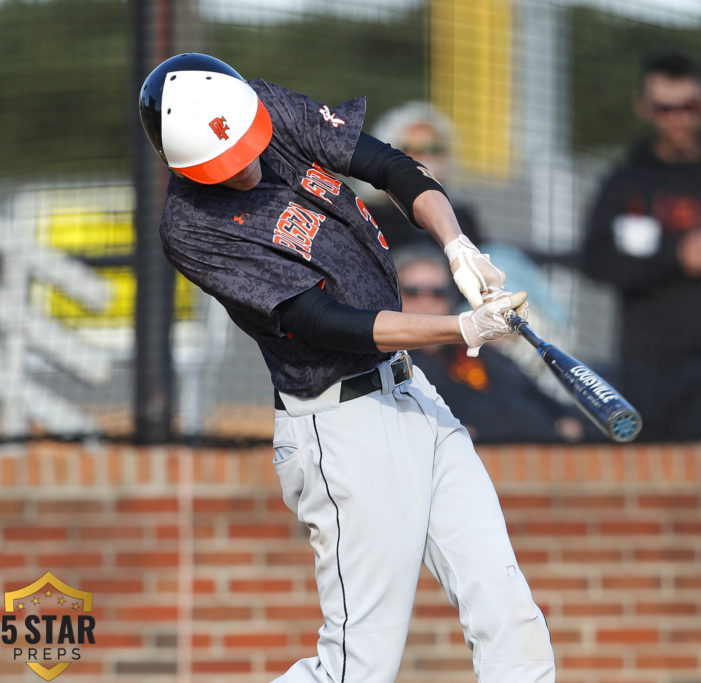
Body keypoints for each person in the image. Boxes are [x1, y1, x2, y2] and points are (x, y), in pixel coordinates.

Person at [138, 53, 555, 683]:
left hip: (412, 395)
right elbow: (327, 322)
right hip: (342, 429)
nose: (247, 166)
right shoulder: (193, 228)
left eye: (248, 146)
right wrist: (461, 329)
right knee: (355, 667)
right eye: (223, 165)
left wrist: (455, 243)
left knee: (509, 616)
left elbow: (386, 164)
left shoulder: (262, 106)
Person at [581, 52, 701, 442]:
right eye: (665, 108)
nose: (679, 118)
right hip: (647, 368)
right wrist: (677, 257)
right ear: (645, 109)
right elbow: (596, 260)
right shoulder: (626, 179)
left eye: (690, 106)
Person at [395, 245, 587, 443]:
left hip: (539, 452)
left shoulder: (476, 349)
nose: (426, 301)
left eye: (438, 292)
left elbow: (536, 395)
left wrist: (565, 419)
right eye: (413, 291)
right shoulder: (392, 364)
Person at [363, 101, 484, 251]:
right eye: (413, 149)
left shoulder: (460, 216)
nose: (425, 158)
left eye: (434, 149)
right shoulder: (369, 215)